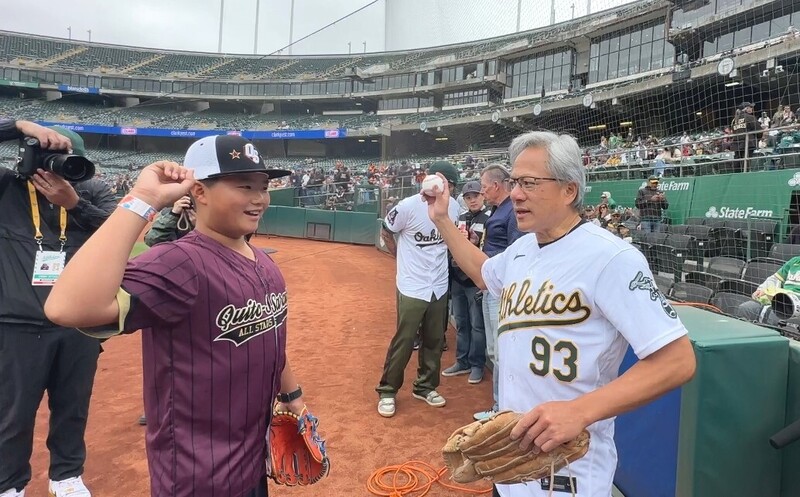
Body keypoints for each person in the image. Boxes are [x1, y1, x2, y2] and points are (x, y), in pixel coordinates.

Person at [424, 130, 696, 497]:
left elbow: (677, 361)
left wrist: (580, 411)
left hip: (570, 474)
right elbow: (482, 272)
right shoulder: (522, 251)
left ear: (569, 190)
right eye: (515, 182)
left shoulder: (612, 258)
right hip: (510, 461)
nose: (516, 193)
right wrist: (441, 219)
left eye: (530, 183)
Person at [44, 135, 314, 497]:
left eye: (263, 187)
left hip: (252, 461)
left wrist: (292, 395)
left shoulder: (264, 262)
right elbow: (67, 307)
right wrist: (144, 199)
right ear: (199, 192)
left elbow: (271, 338)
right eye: (244, 186)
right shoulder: (177, 262)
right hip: (198, 476)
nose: (259, 198)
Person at [0, 120, 116, 497]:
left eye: (69, 160)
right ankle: (9, 484)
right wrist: (17, 125)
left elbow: (122, 234)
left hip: (78, 323)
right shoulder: (6, 188)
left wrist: (74, 203)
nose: (59, 167)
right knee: (13, 413)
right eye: (50, 158)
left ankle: (66, 476)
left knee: (73, 406)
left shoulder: (92, 191)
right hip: (18, 323)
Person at [376, 161, 460, 418]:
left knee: (435, 338)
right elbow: (387, 231)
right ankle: (388, 390)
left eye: (451, 184)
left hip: (439, 282)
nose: (447, 188)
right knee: (404, 338)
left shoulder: (454, 208)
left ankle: (425, 386)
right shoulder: (409, 206)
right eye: (444, 182)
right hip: (413, 284)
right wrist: (400, 259)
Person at [474, 164, 525, 421]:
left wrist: (486, 261)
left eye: (483, 187)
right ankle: (499, 407)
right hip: (491, 284)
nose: (481, 192)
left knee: (500, 351)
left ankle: (501, 410)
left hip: (502, 289)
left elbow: (516, 252)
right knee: (494, 350)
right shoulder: (497, 210)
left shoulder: (511, 212)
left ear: (495, 185)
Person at [442, 181, 490, 384]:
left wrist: (473, 244)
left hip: (476, 280)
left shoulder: (489, 218)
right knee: (462, 322)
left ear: (483, 196)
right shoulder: (460, 218)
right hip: (458, 278)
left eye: (476, 195)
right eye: (468, 197)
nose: (472, 200)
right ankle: (462, 361)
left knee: (477, 325)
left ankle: (477, 364)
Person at [734, 257, 800, 327]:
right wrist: (762, 289)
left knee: (773, 316)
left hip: (794, 308)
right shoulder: (794, 261)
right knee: (745, 308)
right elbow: (774, 279)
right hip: (779, 300)